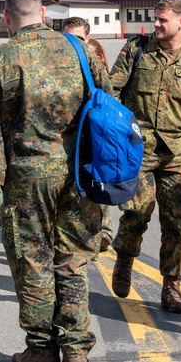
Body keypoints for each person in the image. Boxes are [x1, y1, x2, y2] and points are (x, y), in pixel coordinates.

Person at [0, 0, 108, 362]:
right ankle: (77, 351)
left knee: (34, 263)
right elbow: (106, 99)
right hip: (80, 172)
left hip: (28, 176)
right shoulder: (81, 51)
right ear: (43, 13)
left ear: (6, 18)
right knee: (72, 262)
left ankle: (41, 350)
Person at [108, 0, 181, 314]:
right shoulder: (137, 50)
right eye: (155, 19)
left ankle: (172, 287)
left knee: (176, 222)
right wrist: (117, 131)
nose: (156, 25)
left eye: (162, 20)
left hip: (177, 153)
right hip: (138, 149)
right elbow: (112, 91)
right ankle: (124, 260)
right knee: (136, 212)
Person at [60, 17, 113, 253]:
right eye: (67, 38)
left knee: (97, 183)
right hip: (63, 146)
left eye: (78, 39)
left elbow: (109, 101)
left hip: (91, 140)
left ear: (88, 38)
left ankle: (103, 231)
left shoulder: (92, 63)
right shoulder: (54, 65)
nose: (73, 44)